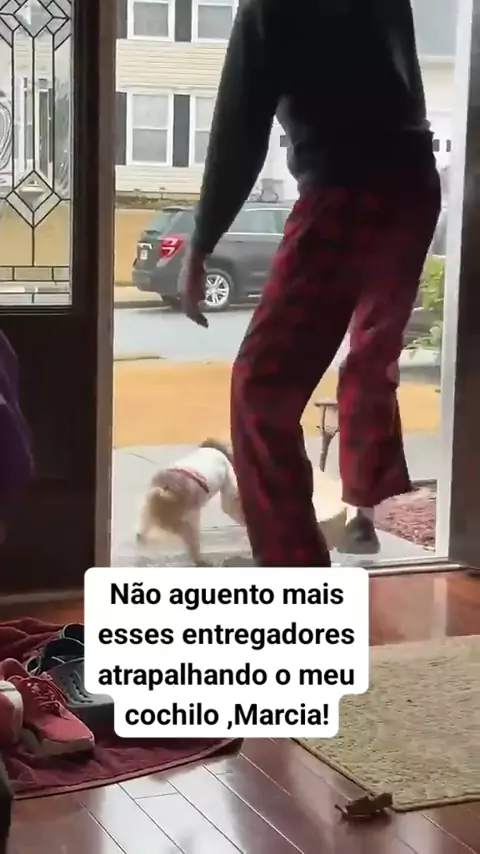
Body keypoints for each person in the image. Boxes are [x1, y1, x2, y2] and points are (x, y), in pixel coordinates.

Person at [178, 0, 441, 567]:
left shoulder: (268, 7)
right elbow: (404, 81)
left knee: (260, 389)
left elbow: (239, 127)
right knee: (371, 350)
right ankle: (368, 494)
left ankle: (293, 570)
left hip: (345, 190)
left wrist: (200, 242)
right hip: (414, 185)